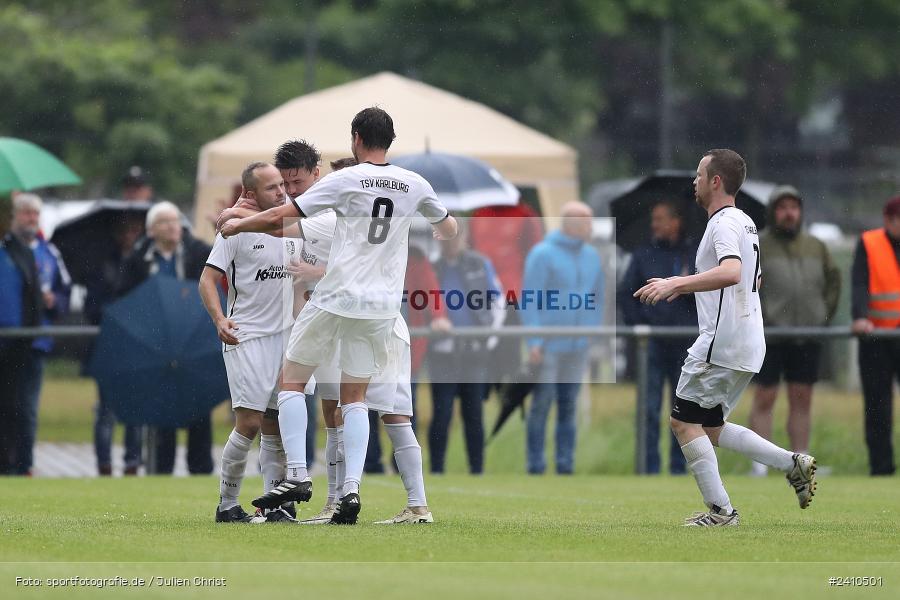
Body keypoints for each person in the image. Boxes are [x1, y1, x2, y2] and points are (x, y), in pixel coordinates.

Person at [221, 107, 456, 525]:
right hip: (382, 309)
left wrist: (238, 224)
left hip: (337, 298)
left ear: (355, 137)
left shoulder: (344, 181)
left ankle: (297, 475)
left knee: (290, 381)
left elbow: (281, 219)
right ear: (391, 139)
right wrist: (441, 229)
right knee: (355, 401)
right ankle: (351, 490)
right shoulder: (415, 182)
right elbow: (450, 227)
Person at [635, 149, 817, 526]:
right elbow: (756, 279)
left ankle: (722, 513)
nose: (695, 182)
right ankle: (792, 463)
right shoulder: (746, 222)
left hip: (722, 342)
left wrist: (677, 284)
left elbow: (733, 272)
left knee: (683, 423)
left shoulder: (722, 224)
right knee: (710, 426)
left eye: (700, 175)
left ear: (716, 181)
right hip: (747, 341)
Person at [201, 162, 313, 523]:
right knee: (248, 421)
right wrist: (220, 319)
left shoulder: (291, 229)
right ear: (250, 194)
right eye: (271, 188)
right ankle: (227, 504)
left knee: (276, 423)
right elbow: (207, 280)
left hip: (286, 336)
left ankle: (277, 504)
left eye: (282, 185)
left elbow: (299, 284)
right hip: (245, 335)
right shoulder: (233, 232)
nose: (281, 192)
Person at [117, 201, 214, 475]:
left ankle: (201, 470)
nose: (174, 226)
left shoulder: (197, 252)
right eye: (165, 222)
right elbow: (125, 300)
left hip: (193, 343)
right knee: (163, 412)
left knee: (199, 409)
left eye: (176, 220)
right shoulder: (138, 261)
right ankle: (161, 469)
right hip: (159, 348)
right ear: (151, 230)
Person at [749, 185, 841, 476]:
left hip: (806, 335)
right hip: (771, 336)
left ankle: (799, 462)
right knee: (765, 396)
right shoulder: (759, 244)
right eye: (782, 207)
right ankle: (761, 464)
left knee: (802, 398)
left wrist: (822, 317)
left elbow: (833, 282)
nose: (789, 213)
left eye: (794, 207)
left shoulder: (816, 245)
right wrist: (760, 319)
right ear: (773, 212)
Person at [521, 201, 604, 475]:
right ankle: (535, 466)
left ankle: (565, 466)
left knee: (569, 407)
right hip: (547, 346)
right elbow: (529, 300)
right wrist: (534, 341)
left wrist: (591, 333)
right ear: (571, 224)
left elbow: (597, 298)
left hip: (578, 346)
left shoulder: (593, 256)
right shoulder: (542, 254)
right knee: (542, 404)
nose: (591, 228)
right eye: (586, 222)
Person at [618, 200, 697, 475]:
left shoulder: (695, 254)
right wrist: (642, 325)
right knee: (649, 410)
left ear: (676, 222)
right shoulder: (643, 255)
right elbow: (626, 295)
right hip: (651, 344)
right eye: (653, 219)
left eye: (660, 219)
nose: (655, 225)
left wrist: (689, 287)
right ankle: (648, 469)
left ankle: (678, 469)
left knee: (683, 412)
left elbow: (711, 298)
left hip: (686, 345)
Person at [428, 222, 503, 475]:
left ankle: (477, 469)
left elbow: (498, 301)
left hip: (473, 351)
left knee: (474, 413)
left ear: (465, 238)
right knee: (442, 414)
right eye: (445, 238)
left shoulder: (479, 264)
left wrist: (489, 337)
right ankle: (436, 469)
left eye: (455, 237)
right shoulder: (433, 267)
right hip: (441, 353)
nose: (450, 243)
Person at [8, 194, 71, 476]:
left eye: (36, 214)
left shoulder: (49, 252)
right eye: (26, 214)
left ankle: (25, 465)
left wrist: (53, 301)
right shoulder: (5, 249)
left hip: (36, 341)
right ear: (13, 217)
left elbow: (65, 293)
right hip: (7, 338)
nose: (32, 219)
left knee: (27, 407)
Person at [86, 202, 145, 476]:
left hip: (136, 347)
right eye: (125, 231)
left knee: (135, 408)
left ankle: (133, 461)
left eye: (134, 231)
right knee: (106, 410)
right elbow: (92, 307)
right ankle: (104, 463)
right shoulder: (101, 265)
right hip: (109, 346)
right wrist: (116, 311)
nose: (129, 236)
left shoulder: (143, 266)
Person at [850, 195, 900, 476]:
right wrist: (860, 317)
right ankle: (881, 468)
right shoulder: (870, 242)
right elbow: (859, 282)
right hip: (877, 338)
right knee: (878, 408)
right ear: (888, 220)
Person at [0, 194, 42, 475]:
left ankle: (15, 465)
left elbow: (32, 295)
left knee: (16, 408)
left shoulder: (22, 252)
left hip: (17, 344)